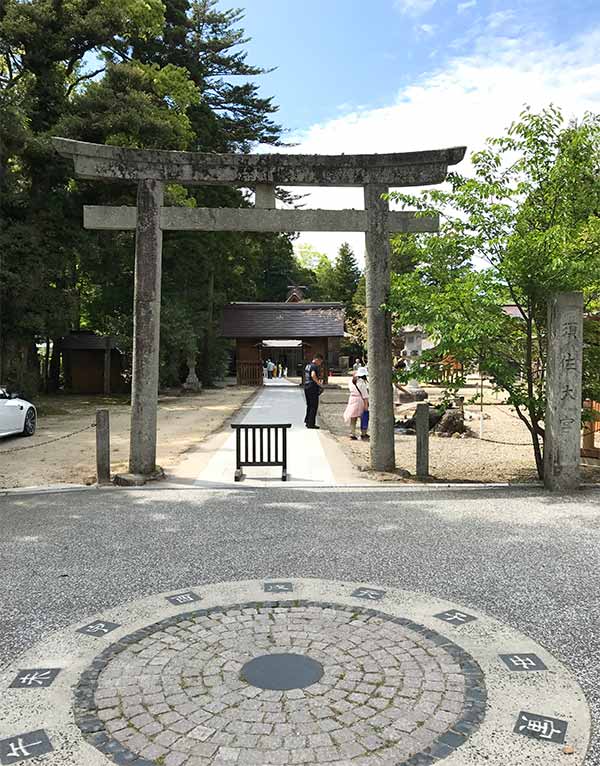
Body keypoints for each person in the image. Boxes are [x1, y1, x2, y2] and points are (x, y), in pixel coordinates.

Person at [344, 366, 369, 440]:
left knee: (353, 417)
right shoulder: (362, 383)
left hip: (352, 399)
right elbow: (365, 395)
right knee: (363, 417)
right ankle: (363, 433)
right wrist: (366, 405)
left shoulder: (351, 381)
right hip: (360, 400)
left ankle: (352, 433)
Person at [304, 353, 324, 429]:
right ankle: (311, 423)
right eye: (320, 362)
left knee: (309, 405)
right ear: (317, 359)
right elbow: (313, 375)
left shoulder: (308, 365)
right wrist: (319, 384)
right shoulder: (314, 366)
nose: (320, 364)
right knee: (313, 406)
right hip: (312, 386)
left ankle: (307, 421)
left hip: (306, 386)